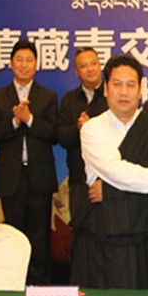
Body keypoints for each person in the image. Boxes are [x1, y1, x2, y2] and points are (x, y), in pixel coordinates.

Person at [75, 55, 148, 288]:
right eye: (117, 84)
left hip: (147, 242)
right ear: (105, 89)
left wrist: (110, 192)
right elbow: (115, 170)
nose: (124, 92)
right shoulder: (92, 129)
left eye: (131, 85)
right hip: (102, 241)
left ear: (140, 91)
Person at [0, 39, 59, 285]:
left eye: (29, 60)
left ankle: (42, 290)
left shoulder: (48, 97)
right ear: (11, 64)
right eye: (20, 60)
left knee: (40, 239)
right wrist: (15, 122)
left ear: (37, 65)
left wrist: (30, 119)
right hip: (11, 179)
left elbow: (54, 134)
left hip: (39, 178)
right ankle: (15, 287)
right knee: (14, 237)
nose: (24, 65)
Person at [57, 47, 108, 228]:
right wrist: (79, 129)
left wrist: (91, 127)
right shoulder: (69, 100)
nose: (90, 69)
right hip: (79, 178)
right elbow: (61, 137)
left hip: (108, 178)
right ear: (76, 71)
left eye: (93, 63)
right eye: (84, 66)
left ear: (100, 66)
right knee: (81, 232)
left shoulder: (112, 96)